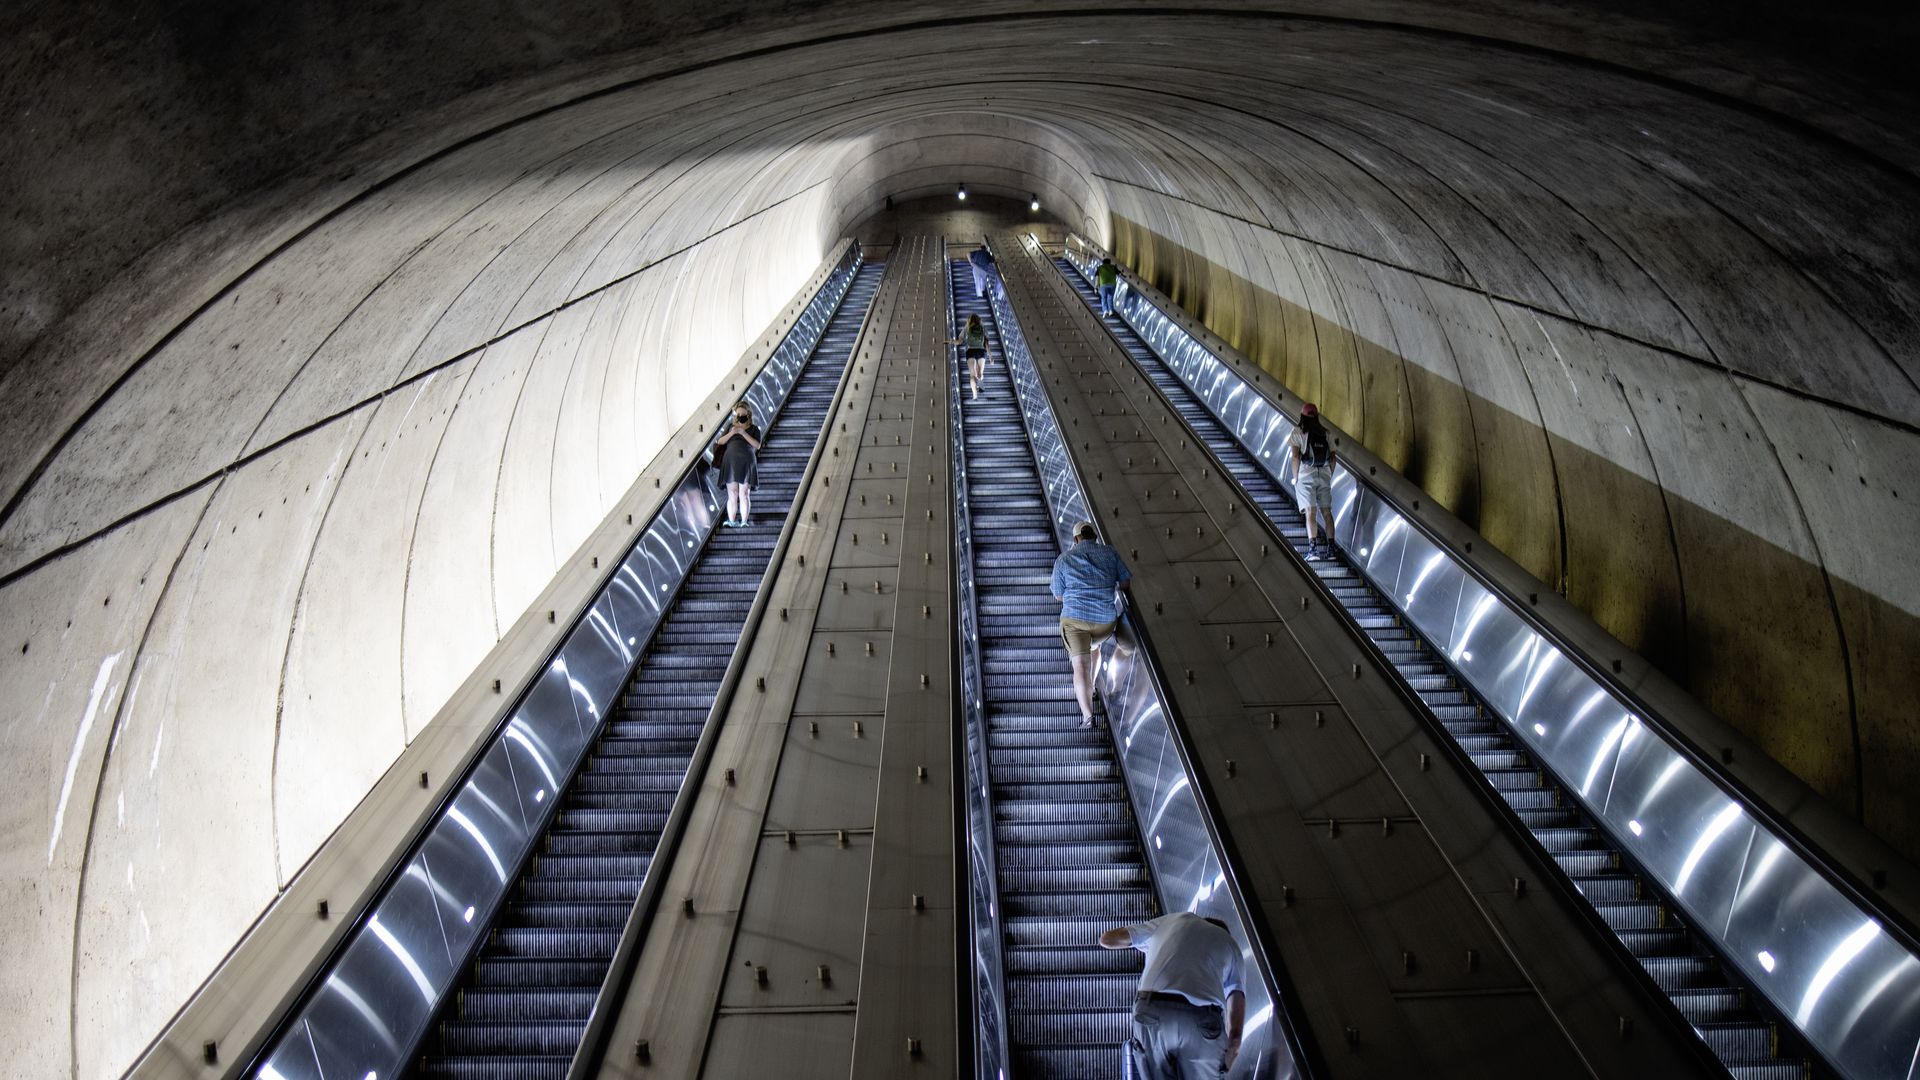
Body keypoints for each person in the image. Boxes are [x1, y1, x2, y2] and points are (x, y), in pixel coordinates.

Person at [1100, 912, 1246, 1079]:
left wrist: (1148, 944)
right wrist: (1224, 1065)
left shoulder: (1173, 921)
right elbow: (1235, 1035)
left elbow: (1107, 939)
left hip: (1153, 1010)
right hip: (1202, 1019)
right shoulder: (1231, 945)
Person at [1049, 521, 1130, 728]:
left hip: (1075, 623)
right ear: (1094, 535)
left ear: (1076, 539)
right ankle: (1092, 686)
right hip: (1104, 623)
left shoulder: (1064, 559)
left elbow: (1058, 595)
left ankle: (1087, 716)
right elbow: (1125, 582)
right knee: (1094, 647)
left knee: (1080, 666)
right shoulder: (1110, 553)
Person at [1289, 402, 1336, 559]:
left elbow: (1295, 457)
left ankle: (1313, 550)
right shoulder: (1326, 433)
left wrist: (1295, 478)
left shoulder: (1297, 432)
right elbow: (1333, 459)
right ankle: (1331, 550)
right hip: (1324, 475)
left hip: (1305, 475)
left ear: (1302, 416)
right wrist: (1329, 476)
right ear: (1317, 416)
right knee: (1327, 513)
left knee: (1311, 512)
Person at [712, 402, 762, 526]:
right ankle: (732, 520)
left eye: (742, 413)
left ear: (748, 413)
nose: (740, 416)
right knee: (732, 493)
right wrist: (733, 432)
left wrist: (743, 432)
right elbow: (720, 441)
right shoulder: (730, 427)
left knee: (744, 493)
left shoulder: (754, 429)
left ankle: (744, 521)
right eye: (738, 414)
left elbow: (757, 445)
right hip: (730, 463)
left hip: (747, 463)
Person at [949, 313, 992, 400]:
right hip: (981, 351)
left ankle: (975, 395)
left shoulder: (967, 327)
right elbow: (987, 343)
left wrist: (951, 342)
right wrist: (991, 357)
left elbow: (959, 341)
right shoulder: (982, 328)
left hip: (970, 351)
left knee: (972, 375)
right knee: (980, 373)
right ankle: (980, 378)